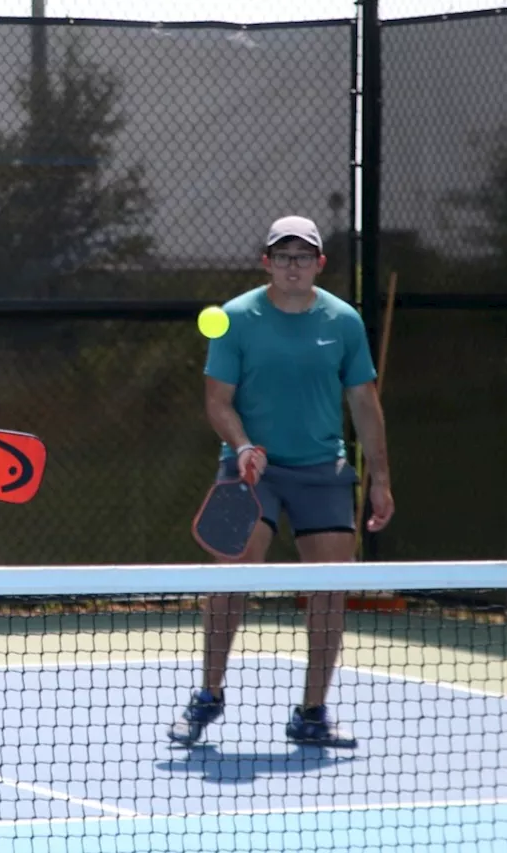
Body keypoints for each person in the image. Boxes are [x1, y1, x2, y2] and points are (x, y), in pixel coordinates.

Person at [168, 215, 395, 749]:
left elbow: (364, 402)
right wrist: (244, 447)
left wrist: (379, 478)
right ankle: (208, 694)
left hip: (323, 472)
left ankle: (312, 712)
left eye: (304, 256)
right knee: (231, 576)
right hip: (253, 470)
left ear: (319, 263)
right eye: (283, 256)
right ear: (266, 262)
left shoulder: (344, 322)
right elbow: (217, 401)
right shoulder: (234, 319)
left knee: (330, 591)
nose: (293, 266)